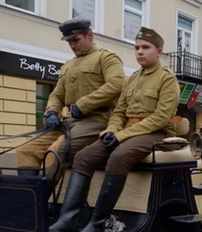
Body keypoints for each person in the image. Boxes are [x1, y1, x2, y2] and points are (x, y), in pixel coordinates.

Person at [50, 27, 180, 232]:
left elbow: (160, 118)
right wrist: (111, 130)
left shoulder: (167, 78)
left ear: (159, 52)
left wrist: (121, 136)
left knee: (119, 156)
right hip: (127, 131)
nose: (139, 52)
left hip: (157, 133)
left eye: (145, 47)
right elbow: (119, 111)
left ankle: (97, 224)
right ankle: (68, 219)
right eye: (137, 47)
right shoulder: (132, 79)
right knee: (84, 156)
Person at [15, 18, 125, 191]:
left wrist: (83, 105)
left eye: (76, 40)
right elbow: (57, 95)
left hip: (98, 120)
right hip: (69, 122)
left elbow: (117, 84)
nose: (73, 45)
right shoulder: (67, 65)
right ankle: (28, 201)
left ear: (89, 35)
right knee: (26, 150)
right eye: (69, 42)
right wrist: (51, 112)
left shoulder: (106, 57)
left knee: (57, 150)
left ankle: (40, 203)